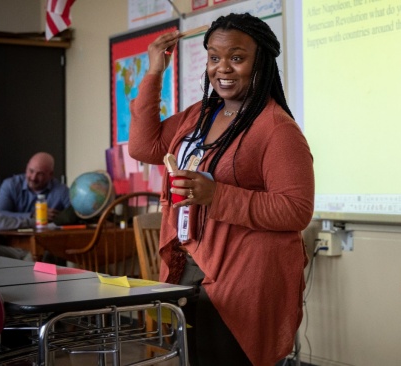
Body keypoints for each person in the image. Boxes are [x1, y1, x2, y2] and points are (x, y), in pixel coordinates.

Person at [128, 13, 314, 366]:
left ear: (261, 62)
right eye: (214, 57)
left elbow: (296, 209)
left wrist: (217, 196)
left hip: (244, 274)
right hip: (189, 264)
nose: (222, 68)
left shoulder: (276, 129)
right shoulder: (202, 114)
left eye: (237, 58)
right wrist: (154, 73)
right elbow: (144, 147)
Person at [0, 152, 71, 221]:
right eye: (31, 171)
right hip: (13, 236)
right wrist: (32, 215)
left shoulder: (61, 190)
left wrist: (60, 218)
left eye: (40, 174)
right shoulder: (11, 185)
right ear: (26, 168)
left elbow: (76, 215)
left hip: (47, 236)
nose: (33, 178)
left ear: (50, 175)